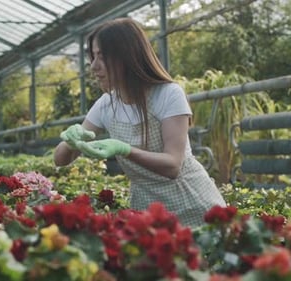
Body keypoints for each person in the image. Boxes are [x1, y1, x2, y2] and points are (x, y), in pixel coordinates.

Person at [53, 17, 226, 228]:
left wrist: (125, 149)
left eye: (102, 57)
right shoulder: (107, 104)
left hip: (194, 205)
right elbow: (60, 160)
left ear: (127, 57)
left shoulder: (168, 94)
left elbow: (173, 165)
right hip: (148, 211)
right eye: (93, 56)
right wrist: (71, 140)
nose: (94, 66)